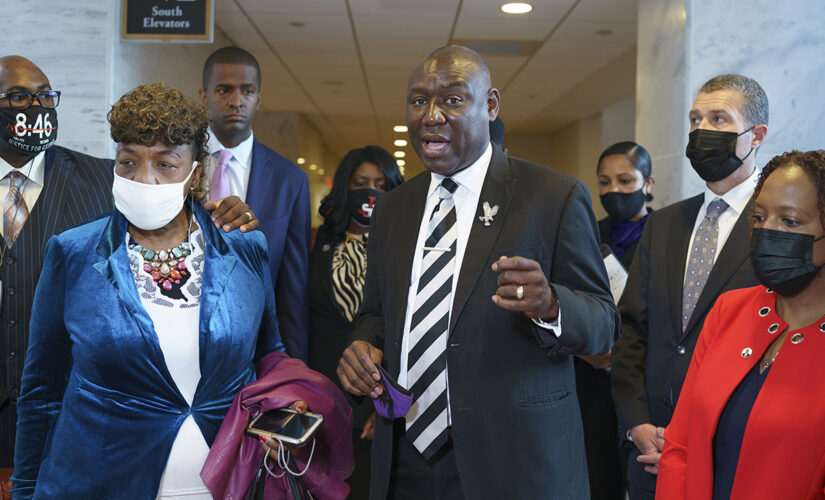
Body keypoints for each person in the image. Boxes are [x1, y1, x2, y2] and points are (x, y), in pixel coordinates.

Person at [337, 45, 619, 499]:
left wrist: (550, 305)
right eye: (417, 100)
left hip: (515, 463)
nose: (430, 115)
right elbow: (375, 313)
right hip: (406, 462)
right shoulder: (393, 209)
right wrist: (361, 344)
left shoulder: (553, 196)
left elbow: (604, 325)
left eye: (451, 100)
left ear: (489, 105)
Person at [11, 83, 289, 498]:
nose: (144, 178)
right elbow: (42, 392)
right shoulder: (72, 253)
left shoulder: (245, 248)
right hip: (99, 483)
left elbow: (269, 357)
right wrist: (25, 490)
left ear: (197, 172)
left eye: (165, 164)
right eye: (128, 162)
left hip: (225, 481)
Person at [610, 74, 768, 500]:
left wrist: (694, 444)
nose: (703, 131)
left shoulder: (777, 225)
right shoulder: (662, 224)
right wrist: (637, 422)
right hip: (649, 456)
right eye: (696, 120)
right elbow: (632, 330)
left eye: (719, 119)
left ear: (756, 136)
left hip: (730, 462)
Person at [656, 150, 825, 499]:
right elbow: (681, 444)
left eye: (790, 221)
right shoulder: (730, 310)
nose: (767, 231)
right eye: (759, 216)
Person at [200, 46, 311, 361]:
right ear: (203, 95)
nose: (236, 101)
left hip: (254, 350)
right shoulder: (173, 164)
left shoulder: (290, 180)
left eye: (247, 91)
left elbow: (293, 290)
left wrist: (294, 370)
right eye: (224, 90)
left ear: (259, 99)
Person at [307, 145, 404, 499]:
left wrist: (387, 410)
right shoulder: (315, 241)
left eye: (381, 184)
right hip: (317, 403)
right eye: (360, 182)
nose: (370, 191)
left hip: (377, 403)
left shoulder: (404, 249)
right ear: (344, 187)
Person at [575, 140, 654, 500]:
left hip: (642, 379)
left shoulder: (662, 235)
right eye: (604, 183)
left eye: (625, 180)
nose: (613, 191)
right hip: (590, 377)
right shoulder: (586, 233)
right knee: (596, 477)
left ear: (647, 184)